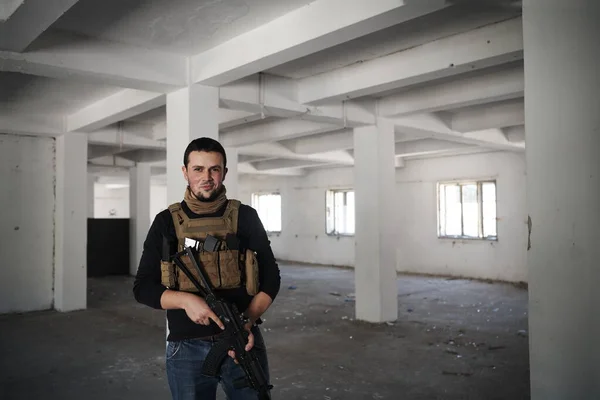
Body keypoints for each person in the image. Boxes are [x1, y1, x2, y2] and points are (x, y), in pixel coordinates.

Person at [133, 137, 281, 400]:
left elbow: (271, 277)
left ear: (224, 172)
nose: (207, 177)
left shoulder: (245, 216)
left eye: (214, 169)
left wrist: (246, 322)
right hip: (186, 347)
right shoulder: (166, 222)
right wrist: (186, 301)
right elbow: (143, 287)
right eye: (198, 169)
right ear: (185, 172)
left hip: (242, 342)